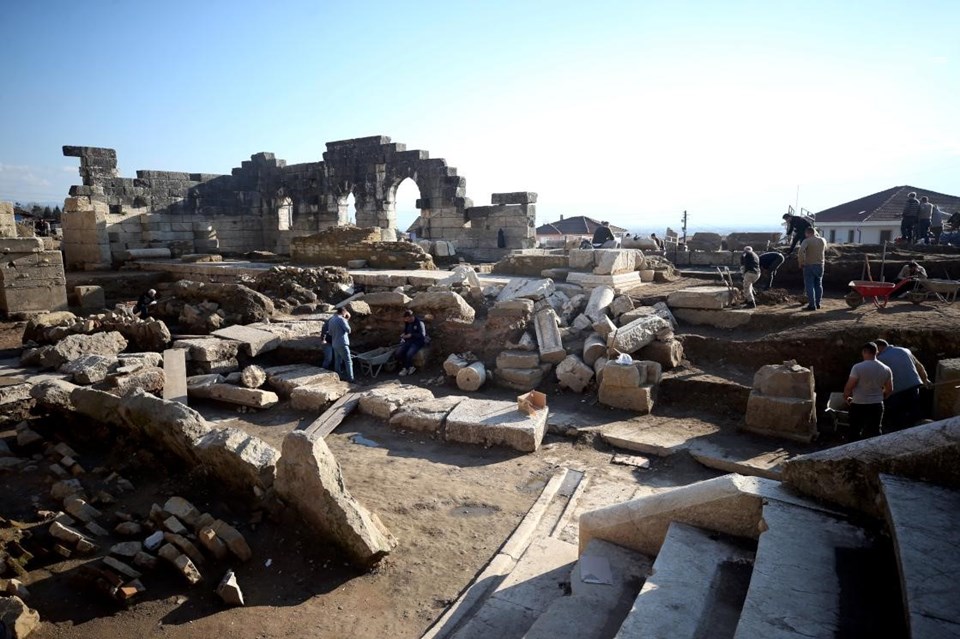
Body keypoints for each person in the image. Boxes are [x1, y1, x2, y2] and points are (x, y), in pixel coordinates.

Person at [843, 342, 893, 439]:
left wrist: (846, 397)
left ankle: (854, 452)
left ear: (864, 352)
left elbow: (849, 387)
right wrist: (880, 397)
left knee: (855, 431)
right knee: (874, 432)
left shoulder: (857, 367)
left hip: (858, 404)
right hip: (876, 405)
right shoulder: (886, 369)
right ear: (876, 352)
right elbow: (889, 389)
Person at [876, 339, 929, 429]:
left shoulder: (879, 359)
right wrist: (925, 380)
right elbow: (919, 367)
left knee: (898, 416)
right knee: (914, 410)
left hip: (896, 391)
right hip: (914, 386)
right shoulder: (905, 350)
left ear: (879, 348)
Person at [797, 227, 826, 310]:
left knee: (809, 285)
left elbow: (801, 251)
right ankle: (818, 303)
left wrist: (801, 262)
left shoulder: (806, 241)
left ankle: (812, 305)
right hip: (820, 265)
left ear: (807, 233)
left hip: (809, 265)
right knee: (818, 285)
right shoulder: (822, 240)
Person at [396, 309, 428, 376]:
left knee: (409, 353)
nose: (406, 320)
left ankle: (406, 368)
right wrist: (403, 334)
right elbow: (406, 331)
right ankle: (410, 367)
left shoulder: (419, 323)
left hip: (418, 342)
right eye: (405, 319)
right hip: (409, 341)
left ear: (411, 317)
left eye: (407, 319)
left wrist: (411, 335)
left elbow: (422, 335)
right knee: (399, 352)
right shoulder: (408, 323)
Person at [327, 307, 354, 383]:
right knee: (348, 361)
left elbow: (330, 333)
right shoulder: (342, 319)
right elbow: (348, 330)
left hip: (334, 343)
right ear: (343, 312)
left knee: (337, 360)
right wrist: (346, 319)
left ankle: (338, 376)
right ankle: (351, 379)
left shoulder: (331, 320)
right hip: (342, 343)